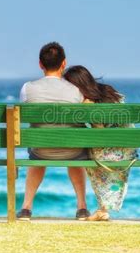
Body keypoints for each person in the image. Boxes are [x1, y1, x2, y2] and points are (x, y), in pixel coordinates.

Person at [16, 42, 90, 221]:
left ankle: (26, 208)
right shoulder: (77, 91)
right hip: (73, 151)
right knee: (78, 153)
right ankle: (81, 207)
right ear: (64, 64)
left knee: (37, 152)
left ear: (40, 64)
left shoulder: (27, 89)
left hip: (40, 150)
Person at [64, 66, 138, 221]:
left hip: (112, 152)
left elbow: (100, 134)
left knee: (84, 153)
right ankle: (102, 208)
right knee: (91, 150)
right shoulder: (110, 92)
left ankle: (102, 208)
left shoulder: (89, 103)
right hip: (129, 150)